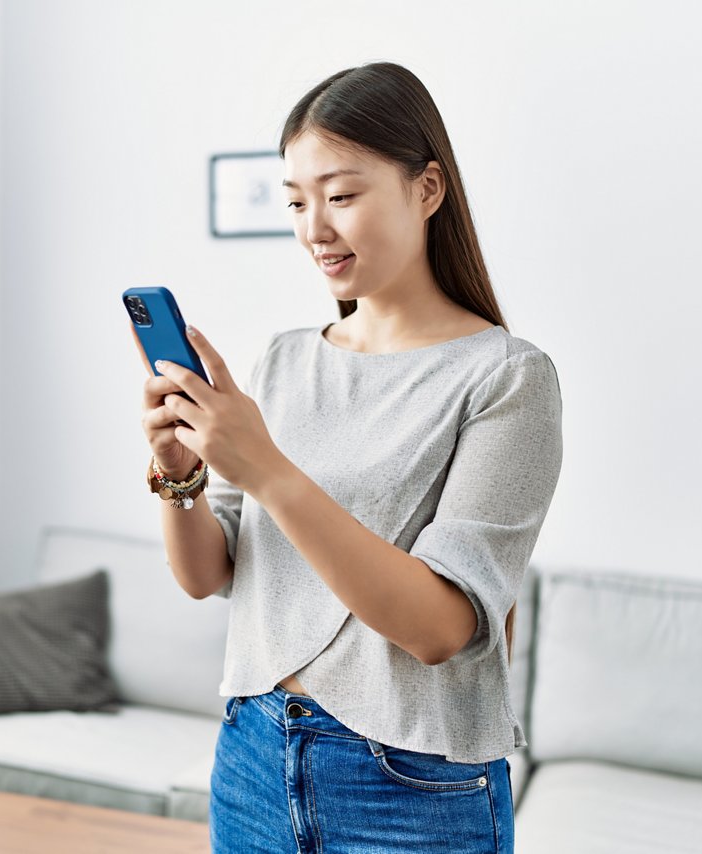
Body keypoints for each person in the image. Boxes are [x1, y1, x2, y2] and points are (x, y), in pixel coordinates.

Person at [136, 61, 562, 853]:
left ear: (427, 188)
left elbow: (439, 628)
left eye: (341, 195)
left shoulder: (507, 378)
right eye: (296, 202)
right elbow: (208, 576)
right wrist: (180, 475)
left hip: (414, 791)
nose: (314, 228)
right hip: (255, 755)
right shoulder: (286, 360)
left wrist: (264, 466)